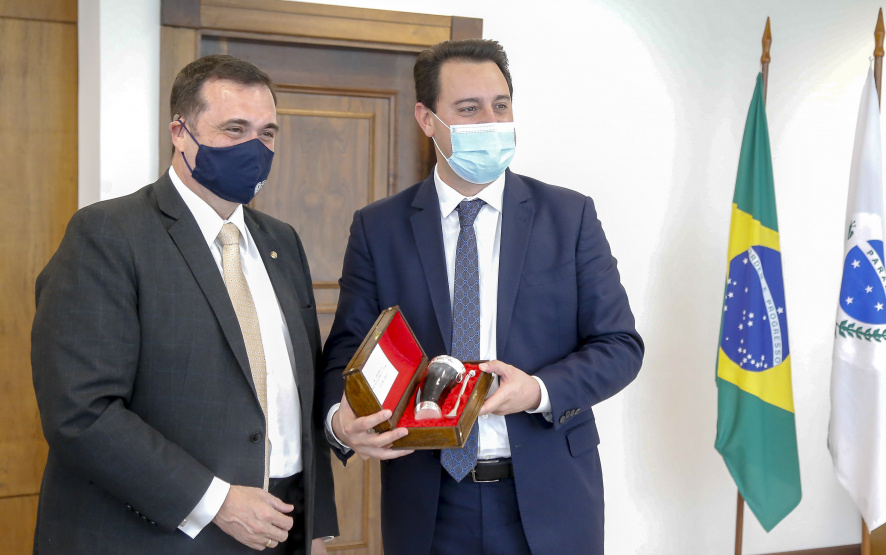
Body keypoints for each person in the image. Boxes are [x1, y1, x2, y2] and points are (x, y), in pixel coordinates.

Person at [321, 39, 644, 555]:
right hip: (427, 501)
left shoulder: (570, 216)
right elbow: (347, 350)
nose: (489, 121)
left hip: (550, 495)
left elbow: (621, 345)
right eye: (469, 109)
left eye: (501, 105)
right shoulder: (378, 228)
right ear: (428, 120)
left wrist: (538, 389)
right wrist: (341, 421)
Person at [31, 55, 337, 554]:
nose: (253, 147)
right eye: (234, 128)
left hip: (279, 529)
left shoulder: (282, 242)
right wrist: (216, 503)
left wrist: (316, 527)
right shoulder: (108, 235)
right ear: (180, 131)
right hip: (156, 535)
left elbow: (295, 397)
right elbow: (81, 412)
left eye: (267, 133)